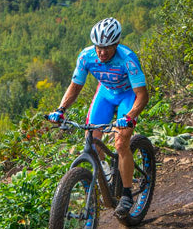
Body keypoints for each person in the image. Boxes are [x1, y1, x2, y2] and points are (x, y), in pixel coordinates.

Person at [48, 17, 149, 217]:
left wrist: (129, 116)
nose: (101, 52)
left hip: (128, 95)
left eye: (107, 48)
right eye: (98, 47)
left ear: (116, 44)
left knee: (121, 142)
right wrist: (61, 110)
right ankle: (108, 173)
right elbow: (75, 86)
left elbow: (142, 95)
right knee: (92, 141)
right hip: (105, 94)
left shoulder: (128, 59)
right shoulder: (86, 56)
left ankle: (127, 194)